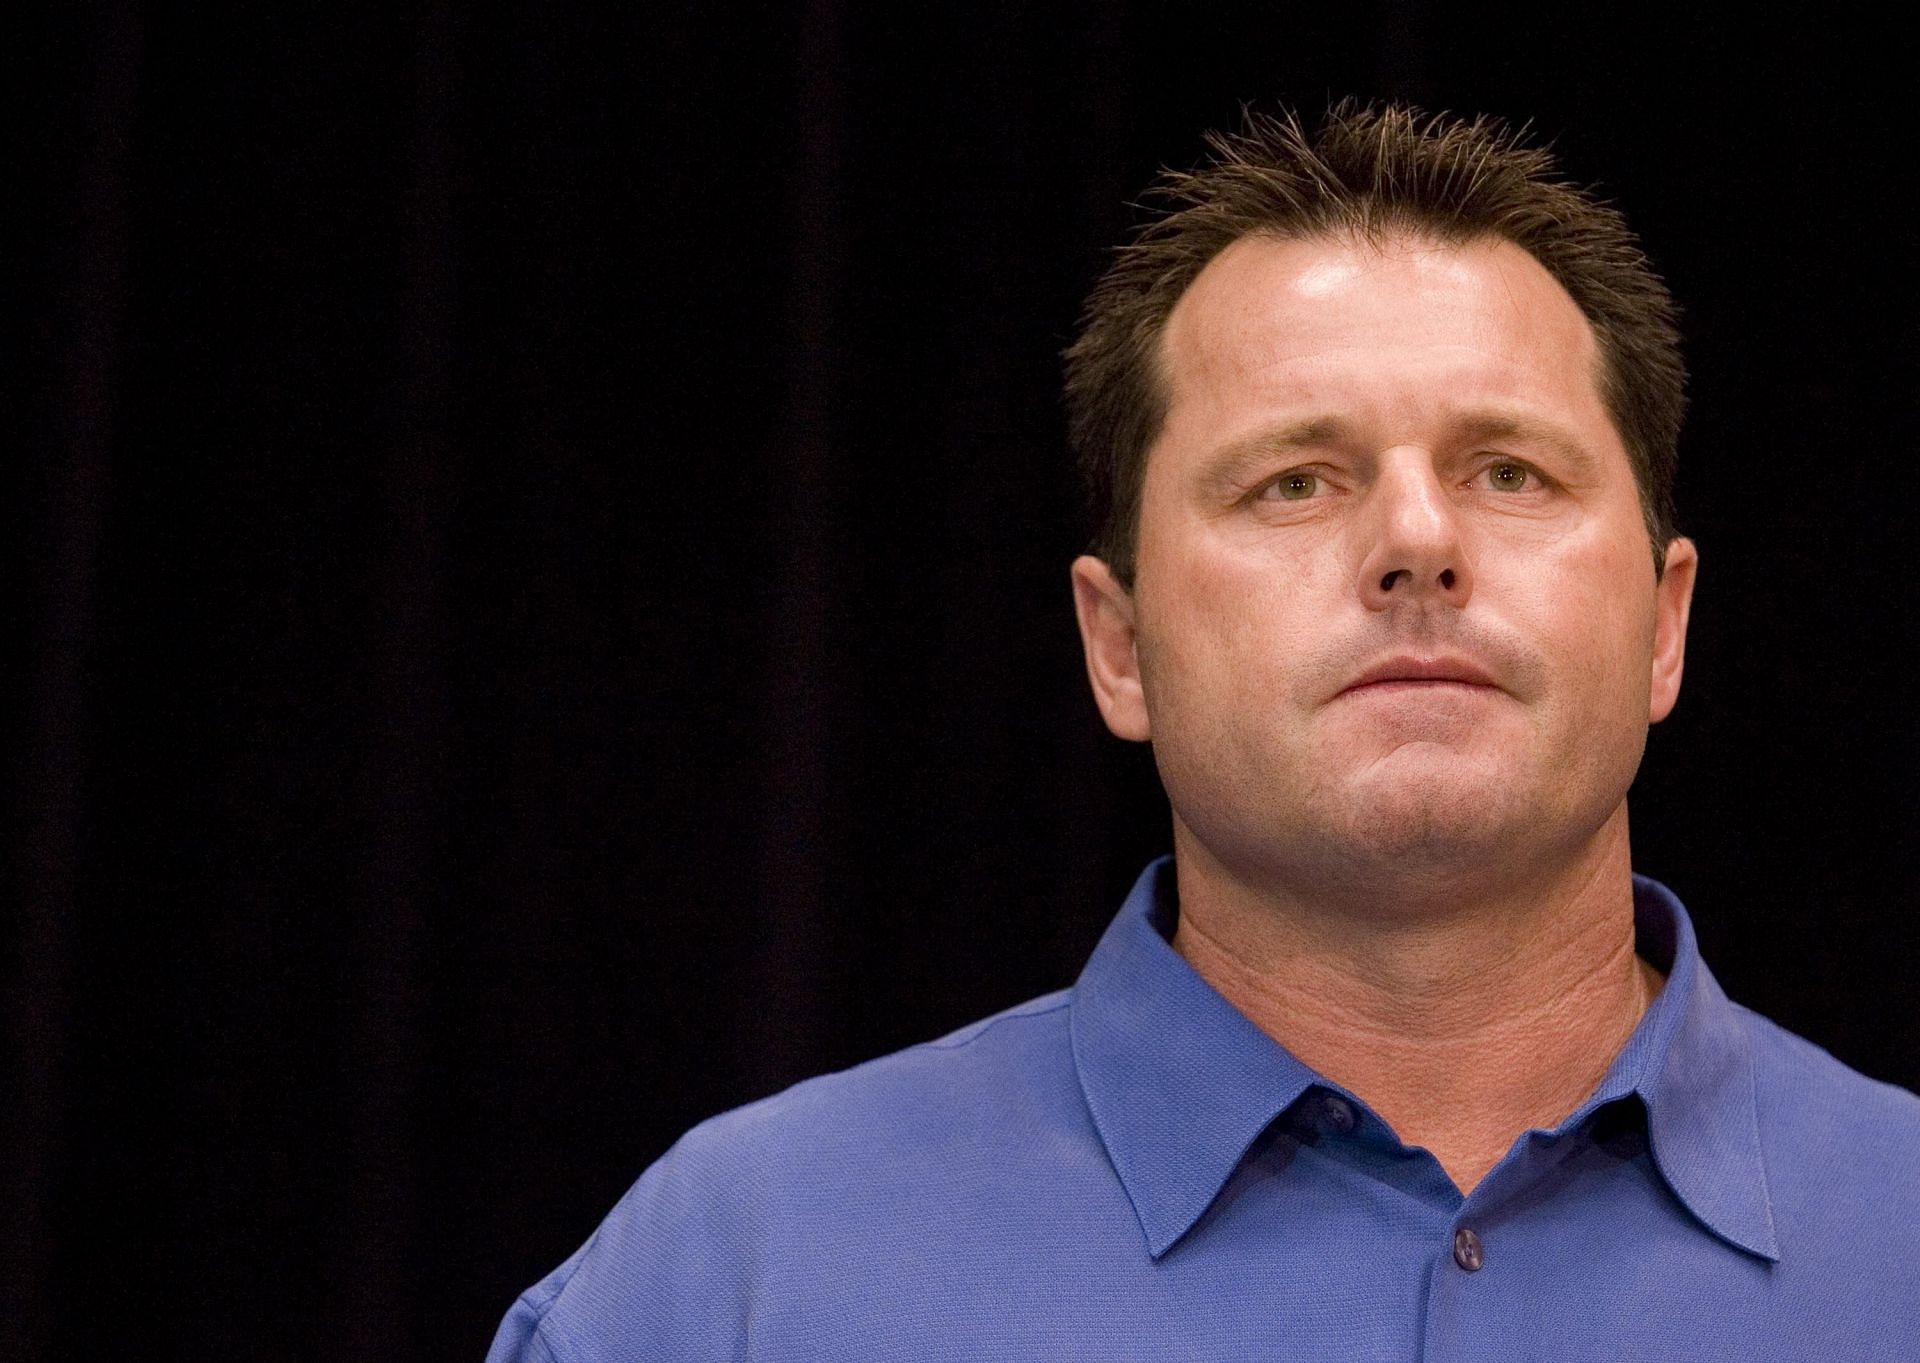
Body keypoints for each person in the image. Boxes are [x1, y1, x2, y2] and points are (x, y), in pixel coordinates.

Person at [486, 103, 1920, 1360]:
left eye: (1508, 471)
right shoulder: (731, 1284)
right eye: (1295, 483)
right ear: (1120, 647)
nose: (1417, 542)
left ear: (1666, 626)